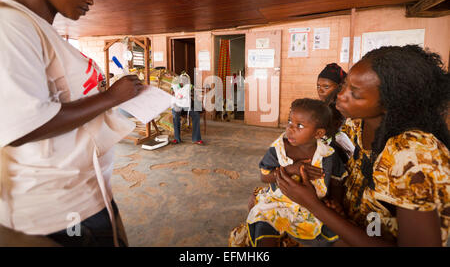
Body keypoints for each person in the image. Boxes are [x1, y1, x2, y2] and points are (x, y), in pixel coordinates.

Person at [0, 0, 145, 246]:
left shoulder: (42, 31)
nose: (91, 0)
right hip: (54, 209)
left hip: (88, 194)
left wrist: (113, 96)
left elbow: (66, 103)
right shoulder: (10, 26)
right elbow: (24, 125)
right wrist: (111, 98)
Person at [276, 45, 449, 246]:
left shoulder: (415, 155)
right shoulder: (355, 125)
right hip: (352, 222)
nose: (340, 96)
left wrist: (314, 206)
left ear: (390, 102)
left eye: (355, 94)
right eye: (344, 85)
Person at [229, 99, 347, 247]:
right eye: (289, 121)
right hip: (276, 205)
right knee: (262, 228)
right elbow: (264, 176)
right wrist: (291, 169)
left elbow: (337, 181)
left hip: (312, 207)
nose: (290, 129)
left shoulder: (329, 155)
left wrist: (335, 202)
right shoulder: (278, 150)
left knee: (336, 236)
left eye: (300, 125)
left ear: (318, 133)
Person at [171, 73, 204, 145]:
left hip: (187, 106)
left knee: (196, 115)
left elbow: (194, 94)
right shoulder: (175, 86)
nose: (183, 81)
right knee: (175, 114)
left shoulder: (189, 87)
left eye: (185, 80)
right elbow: (172, 94)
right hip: (178, 105)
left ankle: (196, 138)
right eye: (181, 80)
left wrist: (192, 93)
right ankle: (177, 138)